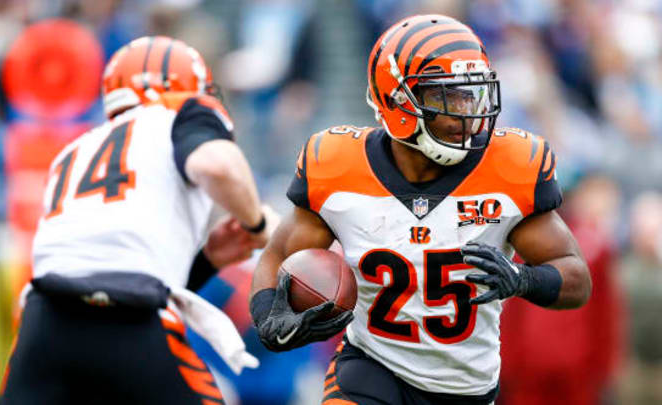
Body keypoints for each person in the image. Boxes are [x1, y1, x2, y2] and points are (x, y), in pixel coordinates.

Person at [249, 14, 591, 405]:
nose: (466, 111)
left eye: (470, 93)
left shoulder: (510, 168)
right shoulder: (338, 166)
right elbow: (278, 255)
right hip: (371, 368)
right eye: (446, 95)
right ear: (397, 100)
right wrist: (266, 314)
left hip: (464, 388)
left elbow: (575, 277)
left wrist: (523, 279)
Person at [0, 36, 271, 405]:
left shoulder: (74, 150)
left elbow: (106, 264)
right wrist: (256, 224)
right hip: (130, 323)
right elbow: (217, 165)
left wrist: (208, 259)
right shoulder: (179, 113)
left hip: (43, 327)